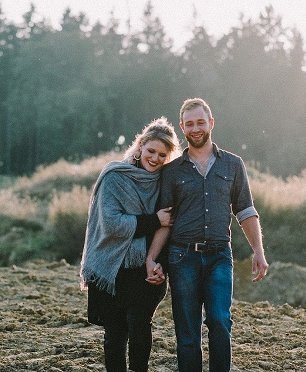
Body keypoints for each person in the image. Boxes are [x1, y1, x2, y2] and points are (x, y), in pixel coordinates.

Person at [145, 98, 268, 372]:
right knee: (187, 332)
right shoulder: (171, 170)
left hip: (219, 257)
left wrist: (258, 251)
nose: (196, 128)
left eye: (201, 122)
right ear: (182, 128)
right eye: (190, 124)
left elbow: (246, 210)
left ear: (211, 123)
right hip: (181, 257)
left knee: (220, 321)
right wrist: (152, 258)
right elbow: (165, 220)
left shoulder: (233, 165)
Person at [80, 116, 181, 372]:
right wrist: (153, 219)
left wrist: (157, 261)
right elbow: (112, 223)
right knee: (114, 336)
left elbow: (169, 224)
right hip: (112, 266)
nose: (155, 159)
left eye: (162, 154)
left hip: (144, 266)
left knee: (139, 328)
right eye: (151, 151)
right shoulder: (115, 176)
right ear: (140, 146)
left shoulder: (164, 182)